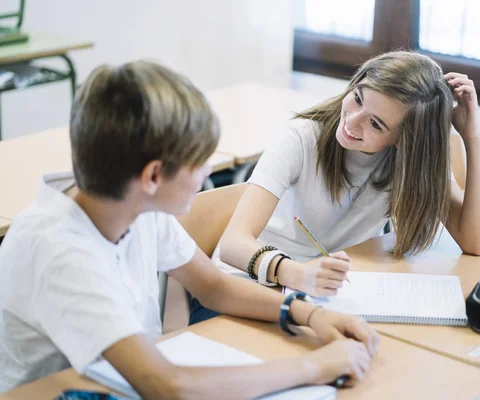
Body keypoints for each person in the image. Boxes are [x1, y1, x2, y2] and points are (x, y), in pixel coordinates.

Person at [0, 61, 380, 398]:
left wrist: (309, 315)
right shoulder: (60, 250)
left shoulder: (130, 202)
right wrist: (316, 367)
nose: (205, 176)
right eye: (199, 163)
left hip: (115, 380)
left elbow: (213, 287)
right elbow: (168, 385)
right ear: (152, 175)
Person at [219, 50, 480, 299]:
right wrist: (298, 274)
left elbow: (474, 242)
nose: (352, 121)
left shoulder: (409, 163)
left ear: (404, 141)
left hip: (323, 291)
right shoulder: (301, 138)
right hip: (249, 282)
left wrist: (473, 138)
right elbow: (232, 245)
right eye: (358, 98)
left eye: (375, 123)